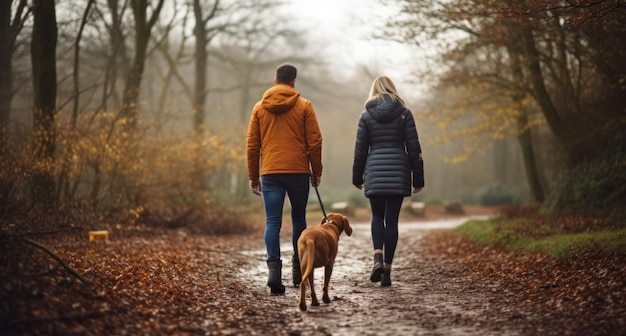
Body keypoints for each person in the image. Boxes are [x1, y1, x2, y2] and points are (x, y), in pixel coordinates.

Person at [246, 63, 323, 294]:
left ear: (274, 80)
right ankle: (299, 272)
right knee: (299, 219)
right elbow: (315, 142)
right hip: (298, 171)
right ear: (293, 81)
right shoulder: (304, 106)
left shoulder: (259, 108)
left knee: (273, 222)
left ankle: (273, 273)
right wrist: (316, 170)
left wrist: (253, 175)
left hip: (270, 172)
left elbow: (252, 145)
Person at [352, 75, 424, 287]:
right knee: (392, 220)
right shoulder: (404, 113)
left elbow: (360, 151)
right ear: (393, 89)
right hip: (398, 171)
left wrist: (357, 177)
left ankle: (377, 259)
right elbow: (414, 148)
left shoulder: (366, 115)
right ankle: (387, 271)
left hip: (374, 170)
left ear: (374, 90)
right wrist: (418, 178)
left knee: (377, 215)